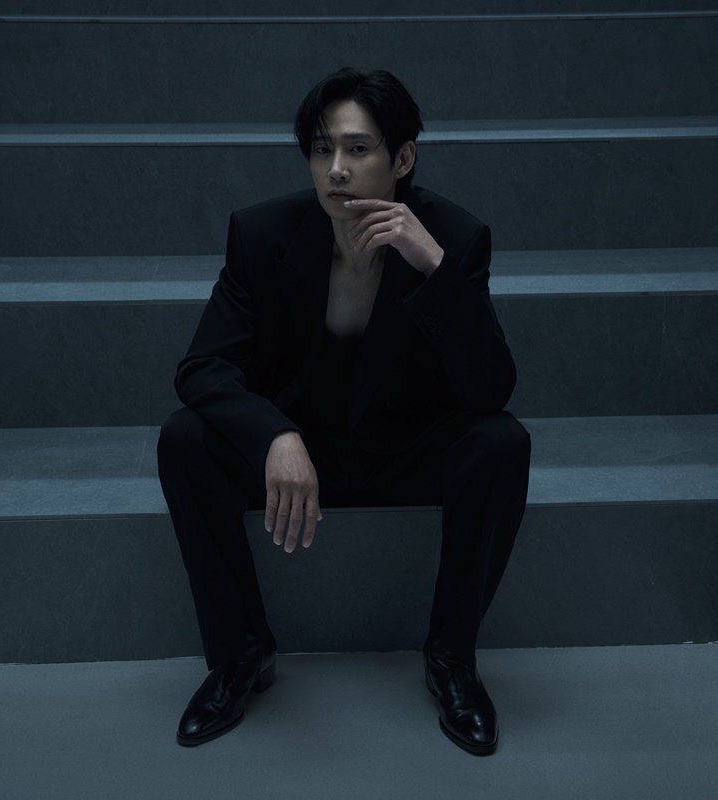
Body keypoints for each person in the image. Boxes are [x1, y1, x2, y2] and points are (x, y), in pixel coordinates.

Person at [157, 67, 530, 756]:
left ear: (403, 158)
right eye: (322, 149)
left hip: (404, 451)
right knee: (185, 439)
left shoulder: (454, 237)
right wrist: (275, 434)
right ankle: (239, 655)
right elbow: (202, 365)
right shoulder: (262, 233)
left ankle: (452, 660)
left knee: (502, 443)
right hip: (300, 457)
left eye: (358, 149)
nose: (336, 169)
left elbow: (489, 389)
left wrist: (436, 270)